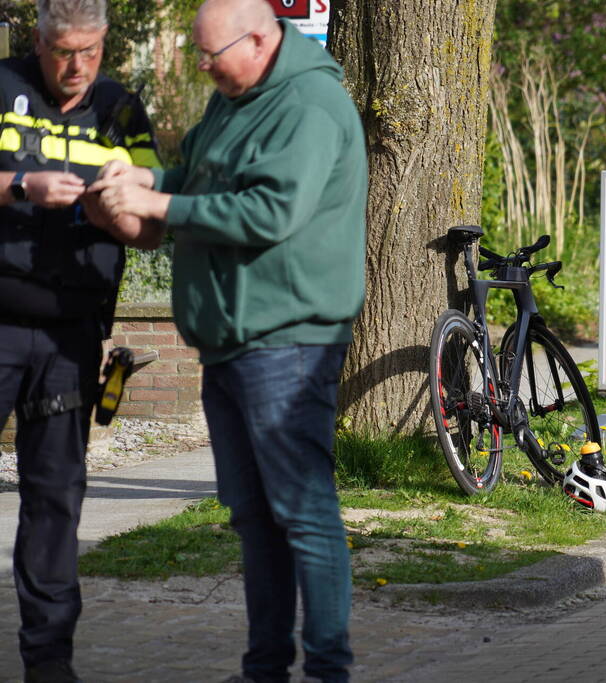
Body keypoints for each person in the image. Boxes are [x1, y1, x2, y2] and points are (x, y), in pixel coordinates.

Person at [88, 0, 368, 680]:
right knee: (252, 517)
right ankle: (264, 665)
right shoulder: (235, 96)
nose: (206, 69)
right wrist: (151, 178)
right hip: (230, 339)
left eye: (214, 56)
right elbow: (205, 178)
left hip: (288, 337)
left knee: (302, 513)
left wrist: (160, 207)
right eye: (200, 56)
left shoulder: (307, 104)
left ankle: (329, 667)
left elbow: (272, 209)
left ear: (261, 39)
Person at [0, 0, 159, 680]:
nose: (77, 67)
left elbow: (151, 219)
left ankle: (49, 662)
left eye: (90, 51)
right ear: (38, 41)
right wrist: (17, 185)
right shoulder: (3, 85)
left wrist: (123, 205)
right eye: (64, 51)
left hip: (72, 335)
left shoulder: (121, 107)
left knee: (56, 497)